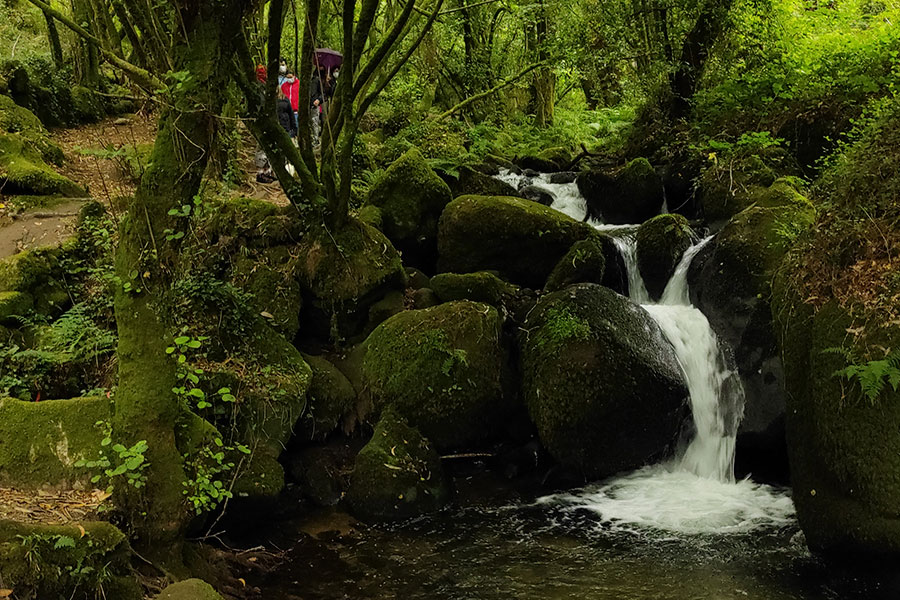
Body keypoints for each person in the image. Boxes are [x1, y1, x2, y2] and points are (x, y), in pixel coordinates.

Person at [280, 71, 301, 137]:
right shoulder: (283, 86)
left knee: (296, 126)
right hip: (287, 111)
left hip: (296, 110)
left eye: (290, 77)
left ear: (294, 76)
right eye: (287, 77)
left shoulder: (299, 84)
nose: (289, 79)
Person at [309, 69, 324, 145]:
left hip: (314, 105)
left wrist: (318, 100)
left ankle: (316, 140)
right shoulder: (305, 81)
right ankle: (310, 139)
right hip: (306, 105)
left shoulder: (317, 80)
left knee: (315, 122)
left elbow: (322, 93)